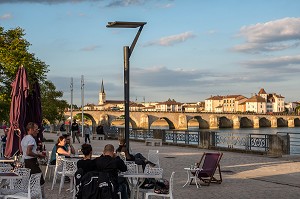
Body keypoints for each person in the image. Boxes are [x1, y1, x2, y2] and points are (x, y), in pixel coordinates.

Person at [21, 122, 46, 198]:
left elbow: (25, 151)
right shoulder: (31, 139)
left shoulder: (24, 138)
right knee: (40, 181)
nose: (38, 131)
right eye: (36, 129)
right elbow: (29, 152)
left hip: (26, 161)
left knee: (30, 181)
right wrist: (38, 155)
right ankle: (41, 197)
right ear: (31, 130)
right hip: (31, 162)